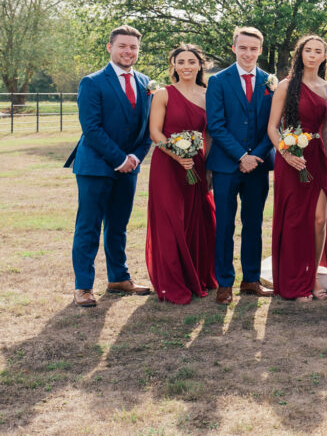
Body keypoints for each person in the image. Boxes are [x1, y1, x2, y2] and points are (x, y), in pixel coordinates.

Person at [65, 25, 153, 307]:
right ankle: (83, 287)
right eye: (123, 46)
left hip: (131, 167)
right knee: (88, 227)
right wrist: (119, 159)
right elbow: (91, 128)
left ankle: (118, 277)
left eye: (133, 47)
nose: (128, 51)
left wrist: (136, 158)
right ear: (110, 47)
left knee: (118, 225)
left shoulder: (145, 82)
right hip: (95, 167)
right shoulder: (92, 82)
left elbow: (148, 128)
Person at [206, 27, 275, 305]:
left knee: (253, 224)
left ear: (260, 50)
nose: (248, 53)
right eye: (243, 47)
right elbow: (216, 125)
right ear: (234, 48)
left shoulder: (270, 81)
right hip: (225, 166)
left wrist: (255, 156)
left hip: (257, 166)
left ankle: (251, 280)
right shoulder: (218, 81)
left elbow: (274, 125)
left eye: (254, 48)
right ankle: (224, 282)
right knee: (224, 225)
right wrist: (240, 156)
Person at [268, 35, 327, 301]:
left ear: (324, 56)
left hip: (317, 157)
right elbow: (272, 127)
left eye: (317, 51)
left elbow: (326, 127)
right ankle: (294, 281)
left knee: (319, 220)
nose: (312, 55)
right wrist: (286, 155)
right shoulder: (286, 86)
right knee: (296, 221)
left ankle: (312, 278)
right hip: (291, 156)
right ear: (301, 54)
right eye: (308, 50)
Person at [145, 44, 217, 304]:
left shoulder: (209, 94)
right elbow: (155, 132)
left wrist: (206, 167)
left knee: (196, 219)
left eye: (191, 61)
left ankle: (196, 274)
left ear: (200, 65)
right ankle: (171, 282)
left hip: (196, 164)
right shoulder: (163, 94)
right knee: (170, 220)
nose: (186, 66)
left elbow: (209, 133)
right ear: (173, 65)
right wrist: (177, 154)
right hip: (167, 164)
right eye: (181, 61)